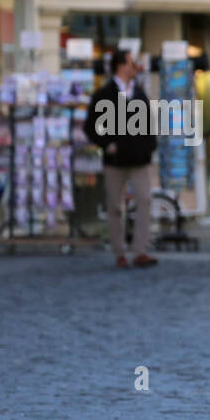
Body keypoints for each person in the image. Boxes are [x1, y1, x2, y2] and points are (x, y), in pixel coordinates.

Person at [85, 48, 158, 269]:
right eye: (131, 63)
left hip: (139, 158)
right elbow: (91, 127)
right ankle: (119, 252)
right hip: (115, 161)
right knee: (115, 207)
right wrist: (107, 144)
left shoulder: (139, 91)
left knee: (144, 200)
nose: (134, 66)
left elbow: (148, 122)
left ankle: (140, 250)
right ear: (121, 66)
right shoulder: (103, 94)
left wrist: (149, 146)